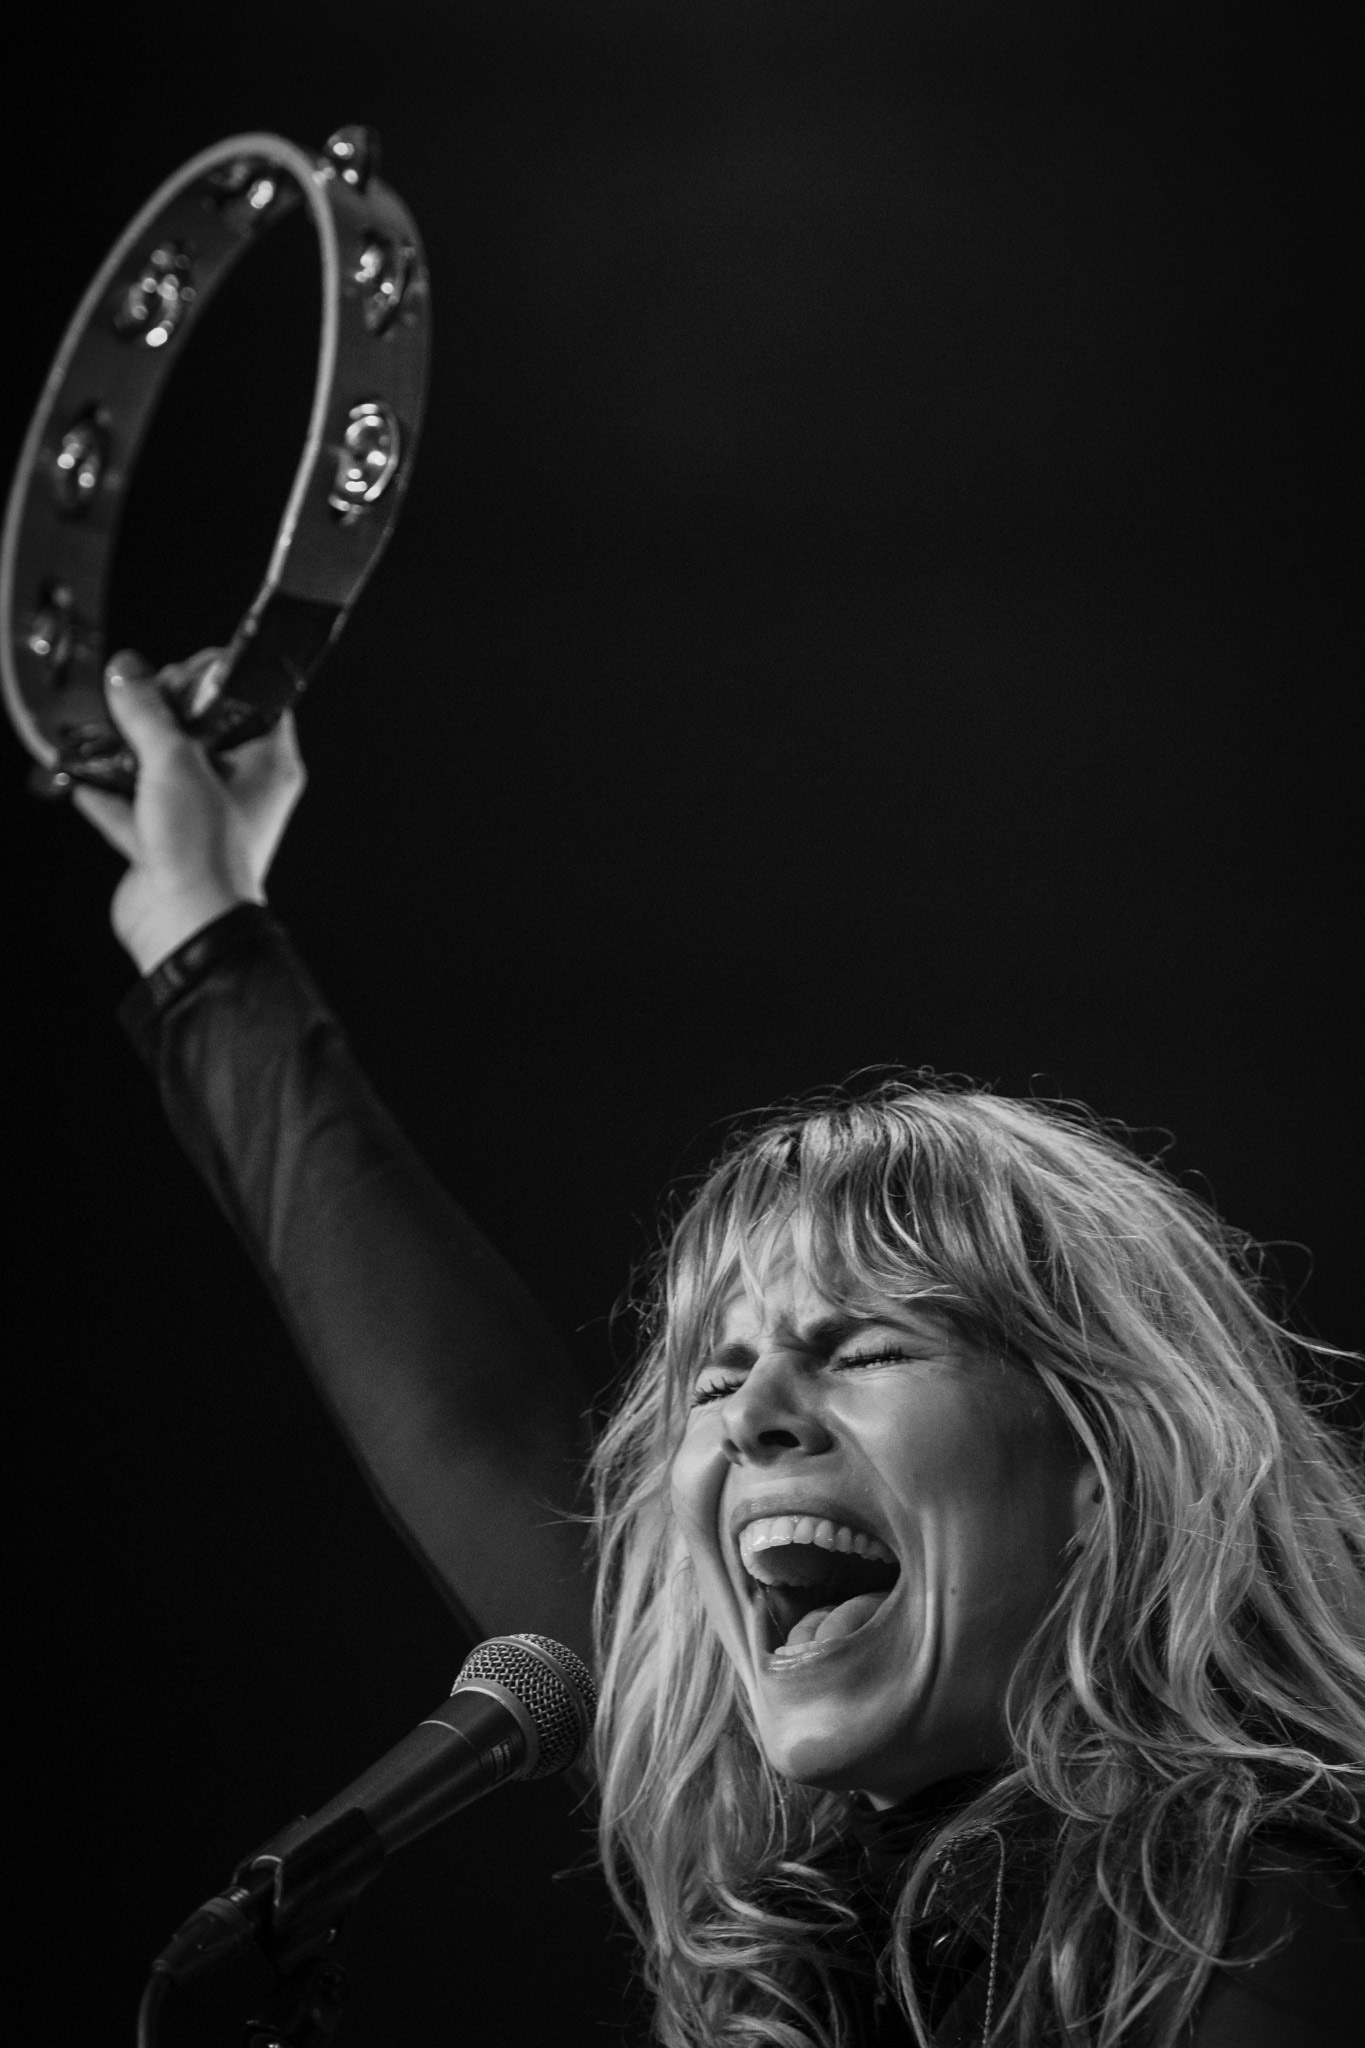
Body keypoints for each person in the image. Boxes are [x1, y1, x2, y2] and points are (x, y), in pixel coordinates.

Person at [75, 653, 1365, 2045]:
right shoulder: (806, 1903)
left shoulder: (1240, 1914)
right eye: (714, 1375)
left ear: (1103, 1472)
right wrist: (199, 922)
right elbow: (470, 1430)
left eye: (864, 1351)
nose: (752, 1416)